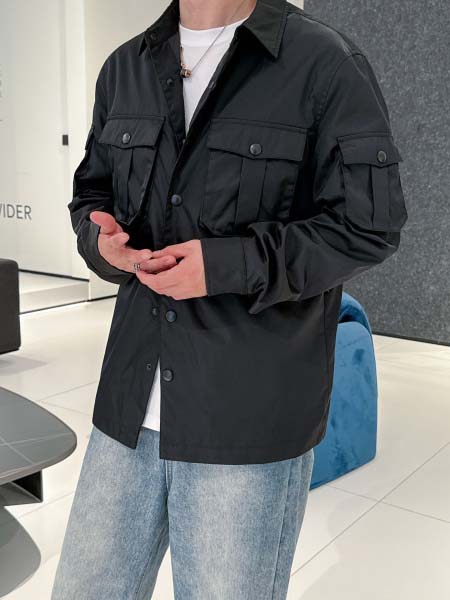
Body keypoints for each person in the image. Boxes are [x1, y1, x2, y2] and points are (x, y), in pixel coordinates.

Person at [51, 0, 408, 598]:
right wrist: (101, 241)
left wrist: (224, 266)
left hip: (246, 418)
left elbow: (369, 227)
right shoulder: (125, 66)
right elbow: (92, 193)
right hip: (126, 410)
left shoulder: (325, 63)